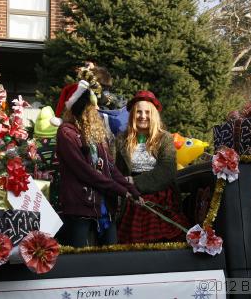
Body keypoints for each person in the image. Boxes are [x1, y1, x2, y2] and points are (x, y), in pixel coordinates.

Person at [56, 79, 141, 248]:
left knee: (111, 255)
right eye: (91, 105)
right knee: (78, 259)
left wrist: (132, 191)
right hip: (80, 207)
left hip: (105, 207)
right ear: (81, 107)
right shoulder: (66, 133)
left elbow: (110, 167)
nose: (96, 109)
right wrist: (121, 191)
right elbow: (85, 172)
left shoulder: (95, 133)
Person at [115, 90, 189, 243]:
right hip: (131, 199)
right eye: (139, 112)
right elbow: (116, 170)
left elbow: (167, 171)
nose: (143, 116)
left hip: (160, 198)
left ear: (154, 115)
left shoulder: (165, 139)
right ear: (132, 115)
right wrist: (125, 187)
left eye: (147, 112)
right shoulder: (122, 139)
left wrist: (135, 182)